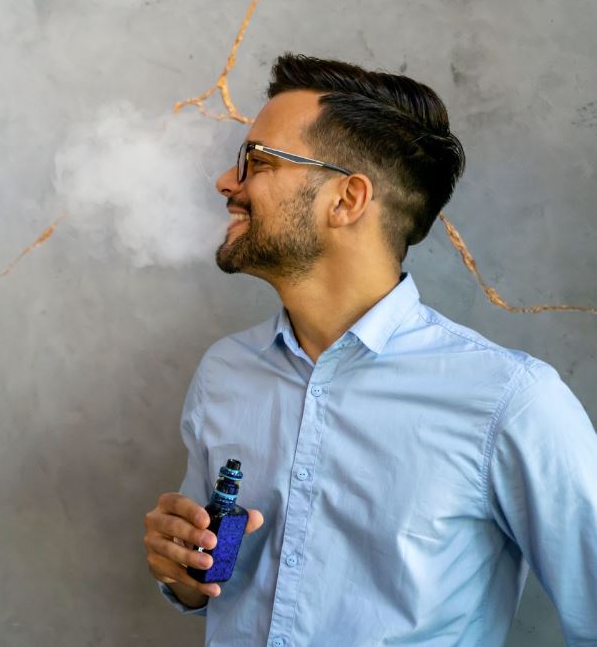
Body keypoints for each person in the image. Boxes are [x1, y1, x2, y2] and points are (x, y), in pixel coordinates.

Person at [142, 54, 597, 646]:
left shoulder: (510, 402)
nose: (227, 182)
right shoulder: (225, 372)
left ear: (347, 199)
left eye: (258, 161)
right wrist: (182, 573)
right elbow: (209, 578)